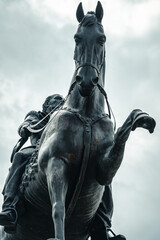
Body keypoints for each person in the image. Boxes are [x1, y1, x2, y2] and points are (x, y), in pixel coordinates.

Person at [0, 94, 126, 240]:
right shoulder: (37, 116)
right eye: (54, 102)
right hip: (38, 150)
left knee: (99, 173)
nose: (59, 104)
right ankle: (10, 208)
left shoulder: (67, 117)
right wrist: (27, 126)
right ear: (46, 107)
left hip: (64, 153)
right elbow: (26, 126)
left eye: (61, 102)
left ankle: (102, 224)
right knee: (20, 156)